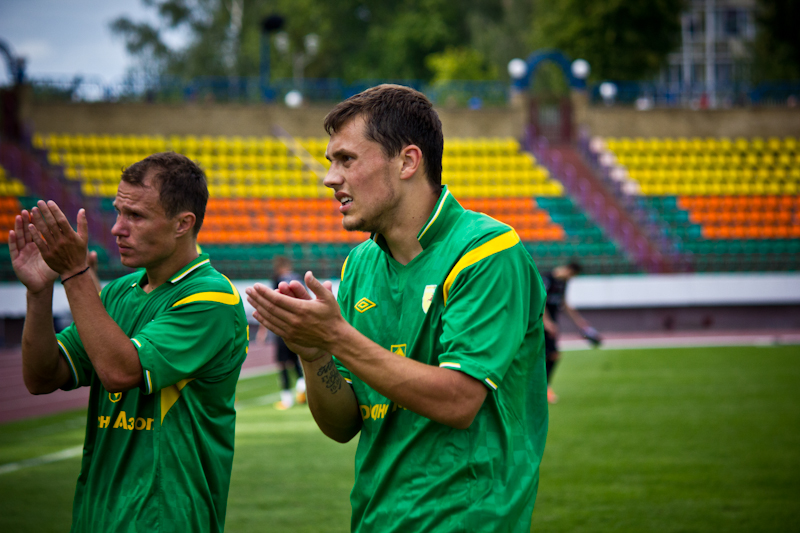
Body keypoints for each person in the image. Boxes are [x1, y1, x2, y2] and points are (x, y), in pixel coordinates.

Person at [247, 84, 548, 532]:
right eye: (331, 162)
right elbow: (343, 425)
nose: (329, 178)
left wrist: (336, 336)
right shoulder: (360, 264)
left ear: (407, 161)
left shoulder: (488, 252)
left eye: (346, 159)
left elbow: (459, 400)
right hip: (374, 520)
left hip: (469, 521)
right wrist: (314, 353)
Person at [9, 152, 248, 533]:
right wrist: (39, 292)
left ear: (183, 224)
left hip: (164, 518)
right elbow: (43, 377)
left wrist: (75, 272)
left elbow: (119, 372)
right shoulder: (119, 292)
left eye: (135, 216)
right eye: (119, 212)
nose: (117, 228)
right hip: (97, 513)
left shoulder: (211, 298)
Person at [541, 261, 601, 404]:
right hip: (542, 324)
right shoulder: (547, 279)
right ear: (569, 271)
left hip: (552, 325)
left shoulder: (563, 283)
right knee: (550, 355)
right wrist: (546, 321)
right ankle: (543, 388)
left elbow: (563, 303)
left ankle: (543, 387)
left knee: (551, 355)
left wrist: (579, 321)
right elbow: (540, 301)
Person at [272, 256, 306, 409]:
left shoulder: (277, 279)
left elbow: (273, 301)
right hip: (297, 325)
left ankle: (287, 399)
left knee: (282, 364)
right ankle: (302, 386)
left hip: (281, 325)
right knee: (295, 360)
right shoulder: (297, 279)